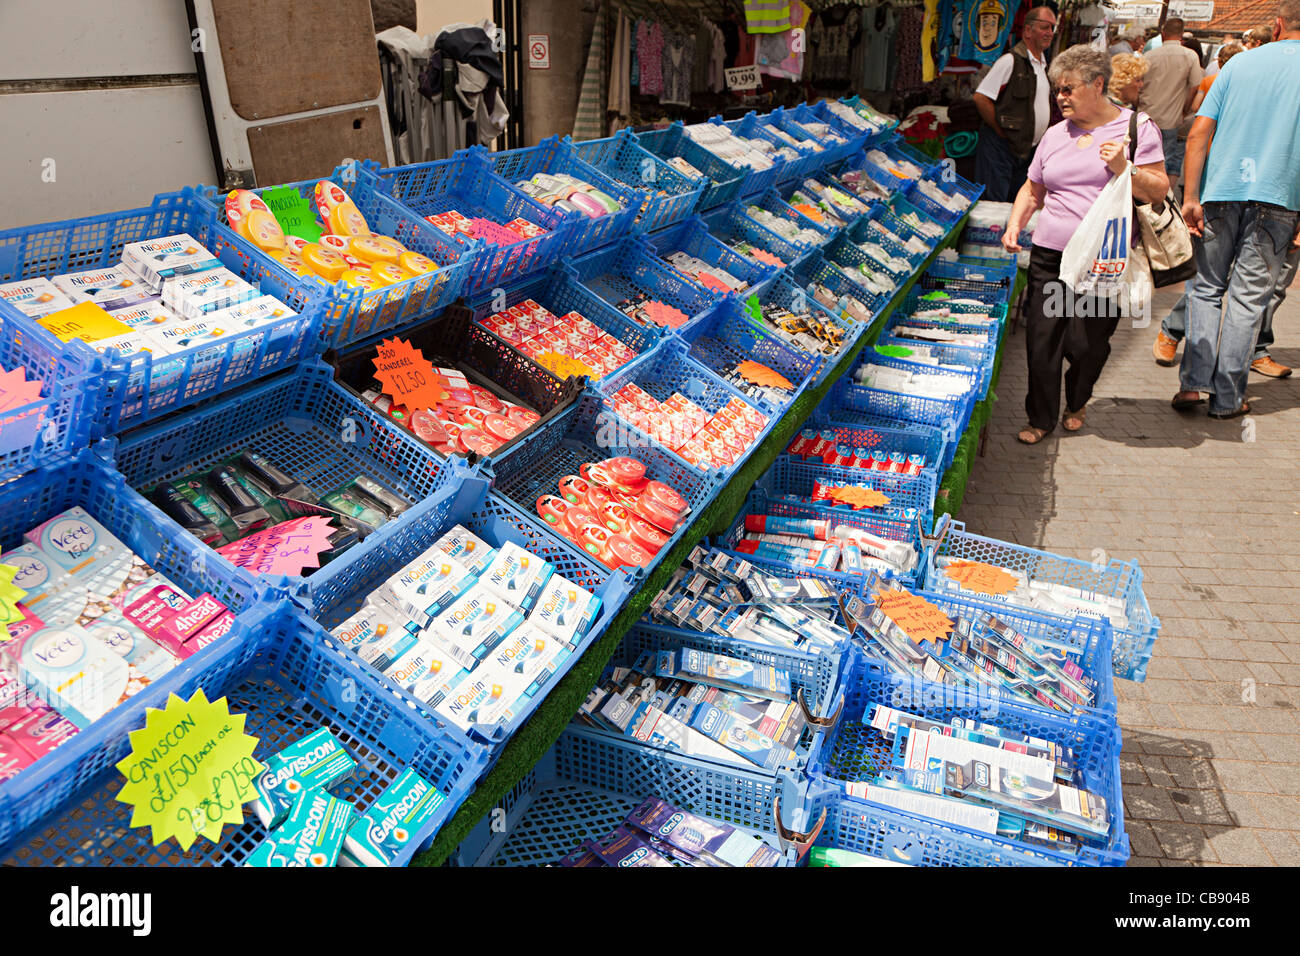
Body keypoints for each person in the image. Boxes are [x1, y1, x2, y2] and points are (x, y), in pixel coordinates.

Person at [1002, 45, 1169, 444]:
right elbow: (1033, 188)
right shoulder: (1056, 134)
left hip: (1104, 259)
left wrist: (1124, 169)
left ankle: (1077, 400)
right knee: (1042, 340)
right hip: (1051, 255)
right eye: (1057, 90)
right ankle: (1040, 418)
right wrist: (1015, 224)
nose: (1061, 97)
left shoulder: (1136, 129)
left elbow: (1159, 189)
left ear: (1098, 85)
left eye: (1068, 89)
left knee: (1086, 344)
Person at [1172, 0, 1300, 417]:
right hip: (1280, 199)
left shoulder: (1238, 65)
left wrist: (1191, 196)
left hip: (1222, 190)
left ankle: (1192, 384)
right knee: (1248, 300)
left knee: (1205, 287)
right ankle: (1226, 398)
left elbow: (1199, 134)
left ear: (1278, 24)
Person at [972, 5, 1058, 201]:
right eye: (1044, 27)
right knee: (993, 207)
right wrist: (1000, 130)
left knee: (1015, 205)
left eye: (1052, 28)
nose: (1050, 33)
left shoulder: (1043, 65)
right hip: (1001, 148)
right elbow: (981, 97)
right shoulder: (1010, 61)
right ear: (1027, 30)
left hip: (1025, 151)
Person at [1138, 17, 1202, 195]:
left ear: (1163, 34)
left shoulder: (1149, 55)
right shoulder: (1190, 56)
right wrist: (1184, 109)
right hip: (1170, 119)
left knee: (1141, 161)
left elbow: (1137, 83)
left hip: (1145, 115)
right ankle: (1156, 203)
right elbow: (1195, 85)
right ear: (1181, 35)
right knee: (1163, 163)